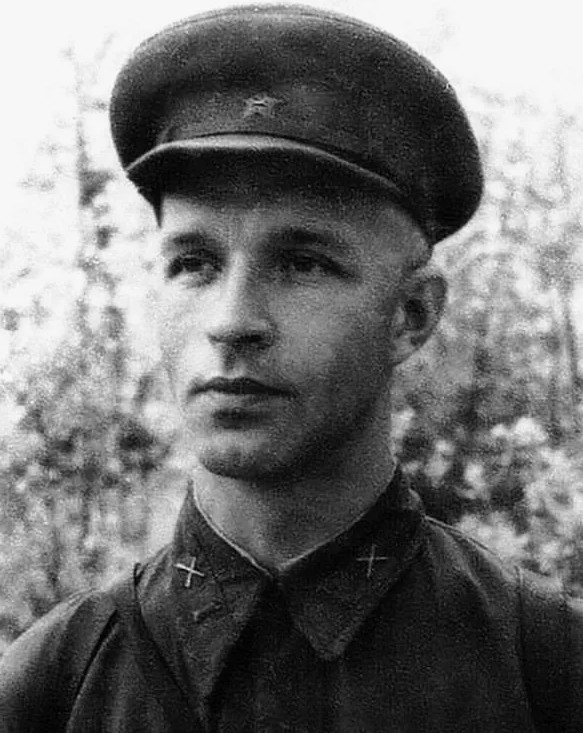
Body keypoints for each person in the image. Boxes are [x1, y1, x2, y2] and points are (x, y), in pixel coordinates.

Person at [0, 5, 582, 731]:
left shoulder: (546, 669)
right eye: (194, 263)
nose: (231, 320)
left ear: (411, 314)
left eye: (302, 263)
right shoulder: (52, 684)